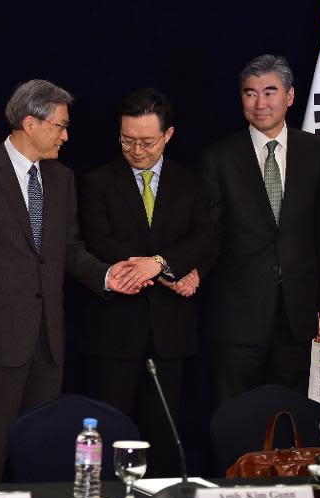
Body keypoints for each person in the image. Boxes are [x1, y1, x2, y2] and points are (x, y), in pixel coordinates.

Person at [0, 79, 147, 483]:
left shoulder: (61, 179)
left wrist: (108, 276)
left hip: (47, 341)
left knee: (42, 453)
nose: (66, 135)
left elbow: (70, 251)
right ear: (31, 123)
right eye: (60, 125)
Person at [78, 88, 216, 475]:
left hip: (170, 332)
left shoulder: (190, 182)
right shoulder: (97, 182)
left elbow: (206, 238)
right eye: (127, 140)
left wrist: (164, 264)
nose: (136, 150)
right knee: (108, 432)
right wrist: (165, 265)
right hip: (113, 332)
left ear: (168, 135)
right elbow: (99, 241)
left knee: (163, 437)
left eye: (147, 141)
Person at [201, 55, 320, 405]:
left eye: (270, 92)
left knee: (287, 416)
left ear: (290, 96)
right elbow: (207, 235)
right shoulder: (218, 157)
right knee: (234, 416)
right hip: (237, 315)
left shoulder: (317, 151)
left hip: (296, 312)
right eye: (250, 93)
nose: (260, 103)